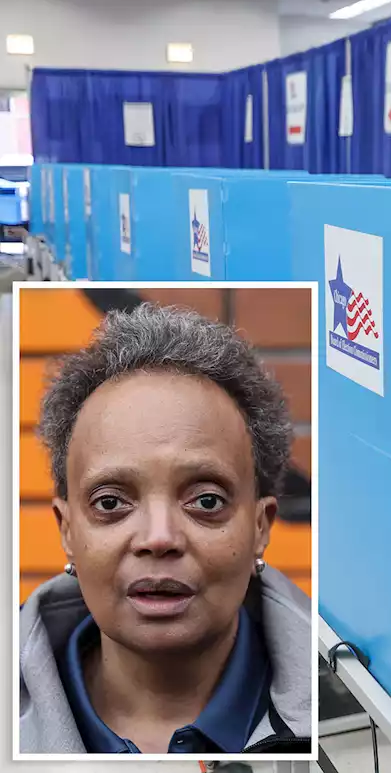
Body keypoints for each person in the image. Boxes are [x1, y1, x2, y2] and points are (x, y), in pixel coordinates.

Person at [18, 302, 312, 755]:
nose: (159, 538)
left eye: (206, 501)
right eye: (111, 502)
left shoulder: (363, 719)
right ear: (67, 531)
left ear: (260, 526)